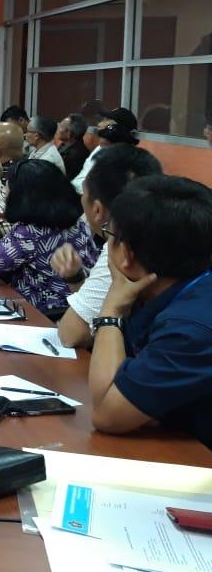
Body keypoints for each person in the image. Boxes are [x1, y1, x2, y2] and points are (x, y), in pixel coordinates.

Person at [86, 175, 212, 448]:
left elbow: (107, 413)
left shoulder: (190, 329)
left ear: (126, 254)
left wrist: (110, 312)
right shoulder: (177, 287)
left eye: (109, 235)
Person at [52, 145, 161, 348]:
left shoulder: (123, 245)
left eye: (83, 193)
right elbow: (98, 304)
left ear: (97, 209)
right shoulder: (159, 228)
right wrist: (75, 277)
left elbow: (72, 335)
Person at [0, 160, 96, 319]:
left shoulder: (28, 233)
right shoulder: (78, 223)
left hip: (43, 313)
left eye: (7, 184)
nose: (4, 190)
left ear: (20, 194)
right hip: (77, 305)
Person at [72, 106, 139, 194]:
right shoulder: (100, 148)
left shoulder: (125, 158)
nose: (99, 124)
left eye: (107, 120)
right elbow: (82, 177)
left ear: (119, 129)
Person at [55, 113, 89, 181]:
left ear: (69, 134)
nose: (57, 128)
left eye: (61, 126)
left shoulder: (76, 156)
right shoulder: (66, 144)